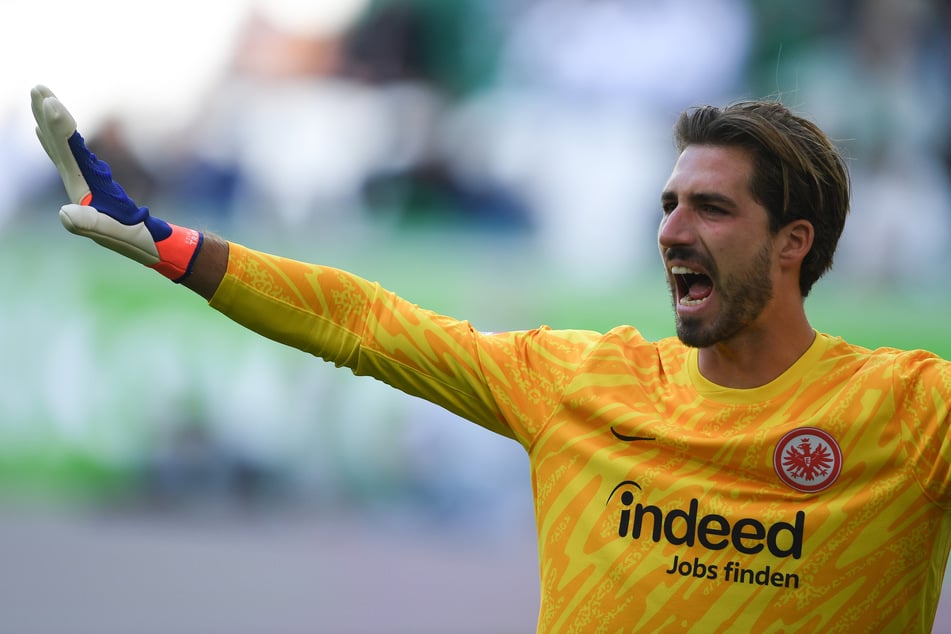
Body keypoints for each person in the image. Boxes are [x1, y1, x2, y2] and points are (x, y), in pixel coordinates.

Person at [31, 84, 951, 632]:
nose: (670, 229)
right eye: (668, 202)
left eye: (710, 209)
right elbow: (366, 324)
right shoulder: (580, 382)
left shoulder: (910, 414)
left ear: (794, 243)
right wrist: (171, 247)